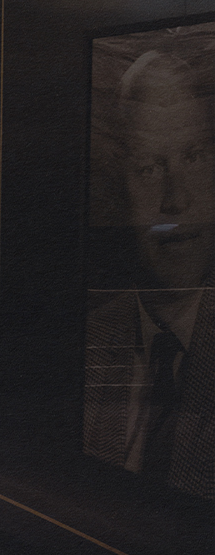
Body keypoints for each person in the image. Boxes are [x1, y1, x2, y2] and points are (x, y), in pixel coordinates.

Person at [83, 42, 214, 499]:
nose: (176, 200)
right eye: (149, 167)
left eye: (194, 156)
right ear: (119, 190)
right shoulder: (87, 336)